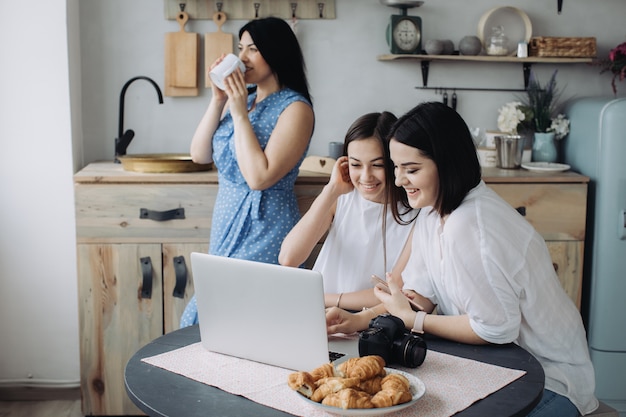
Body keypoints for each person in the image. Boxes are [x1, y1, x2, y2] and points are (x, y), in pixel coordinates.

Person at [328, 102, 598, 417]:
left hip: (549, 382)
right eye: (396, 167)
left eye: (411, 169)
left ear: (446, 163)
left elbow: (496, 329)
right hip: (497, 367)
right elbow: (420, 295)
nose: (399, 180)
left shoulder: (471, 223)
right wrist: (360, 320)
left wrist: (414, 320)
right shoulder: (432, 211)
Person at [180, 17, 315, 328]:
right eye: (240, 48)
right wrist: (219, 101)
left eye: (253, 49)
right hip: (226, 219)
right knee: (210, 314)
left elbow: (259, 177)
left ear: (277, 52)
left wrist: (239, 111)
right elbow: (199, 154)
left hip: (265, 224)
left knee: (249, 319)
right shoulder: (245, 100)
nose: (242, 58)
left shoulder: (296, 109)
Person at [279, 112, 417, 310]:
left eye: (377, 165)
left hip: (367, 322)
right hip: (317, 313)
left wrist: (324, 299)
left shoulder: (414, 213)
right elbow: (288, 258)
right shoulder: (341, 198)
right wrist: (331, 190)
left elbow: (392, 292)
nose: (366, 176)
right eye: (355, 165)